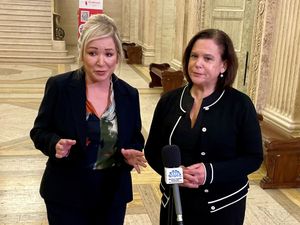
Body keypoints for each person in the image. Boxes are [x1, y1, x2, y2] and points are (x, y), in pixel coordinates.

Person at [30, 14, 147, 225]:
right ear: (82, 53)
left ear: (118, 55)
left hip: (111, 196)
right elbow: (39, 131)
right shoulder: (60, 87)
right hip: (66, 196)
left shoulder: (129, 94)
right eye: (93, 53)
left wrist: (130, 153)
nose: (101, 62)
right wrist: (54, 144)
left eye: (109, 54)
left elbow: (135, 137)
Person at [144, 29, 263, 225]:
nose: (198, 63)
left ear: (223, 65)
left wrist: (209, 172)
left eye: (208, 58)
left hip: (223, 208)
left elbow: (253, 158)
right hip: (176, 204)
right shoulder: (169, 101)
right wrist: (173, 174)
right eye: (194, 56)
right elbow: (152, 151)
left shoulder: (240, 104)